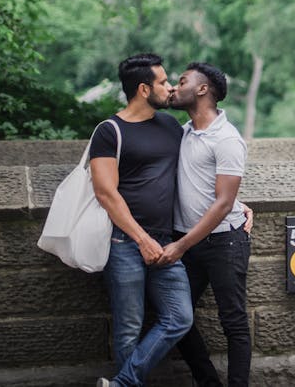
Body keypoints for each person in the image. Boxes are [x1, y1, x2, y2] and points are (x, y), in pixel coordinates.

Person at [90, 53, 193, 387]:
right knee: (129, 328)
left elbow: (196, 173)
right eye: (163, 82)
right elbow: (106, 193)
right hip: (124, 243)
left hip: (166, 242)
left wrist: (235, 203)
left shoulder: (171, 127)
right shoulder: (109, 131)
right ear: (144, 89)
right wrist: (141, 239)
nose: (170, 87)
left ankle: (121, 384)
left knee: (180, 317)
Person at [158, 61, 251, 386]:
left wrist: (180, 246)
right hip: (188, 241)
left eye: (182, 81)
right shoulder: (182, 133)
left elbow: (223, 202)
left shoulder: (227, 138)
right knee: (175, 317)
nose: (174, 87)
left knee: (233, 321)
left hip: (224, 242)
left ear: (202, 89)